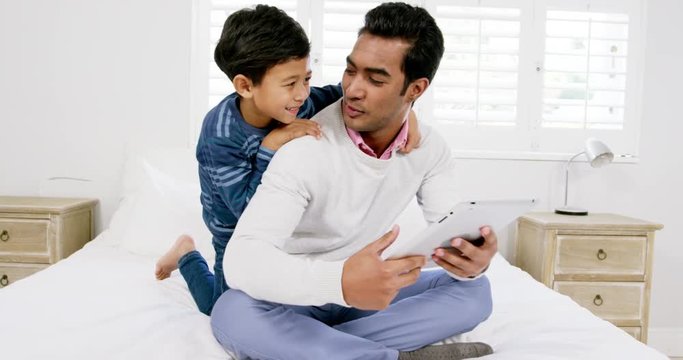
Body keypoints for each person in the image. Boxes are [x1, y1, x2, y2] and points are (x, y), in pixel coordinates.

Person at [210, 2, 497, 360]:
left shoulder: (429, 149)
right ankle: (386, 355)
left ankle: (319, 346)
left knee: (475, 292)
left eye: (375, 80)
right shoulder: (304, 146)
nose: (353, 90)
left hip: (369, 292)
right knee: (232, 312)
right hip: (292, 294)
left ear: (415, 90)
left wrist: (471, 261)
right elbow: (243, 261)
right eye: (350, 71)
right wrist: (340, 282)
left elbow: (448, 234)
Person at [153, 4, 421, 316]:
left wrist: (406, 112)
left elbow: (356, 99)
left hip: (290, 234)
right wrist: (270, 146)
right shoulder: (220, 135)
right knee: (220, 308)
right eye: (289, 84)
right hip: (236, 232)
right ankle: (187, 255)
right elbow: (246, 211)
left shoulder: (301, 103)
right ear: (245, 86)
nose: (302, 94)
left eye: (306, 79)